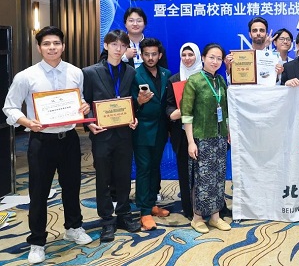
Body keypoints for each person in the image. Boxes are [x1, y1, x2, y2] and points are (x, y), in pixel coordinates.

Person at [2, 26, 92, 264]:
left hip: (69, 139)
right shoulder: (26, 76)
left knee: (72, 186)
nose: (52, 48)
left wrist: (84, 106)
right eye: (47, 44)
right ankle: (37, 241)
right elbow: (9, 107)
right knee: (39, 193)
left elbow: (80, 99)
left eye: (56, 43)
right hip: (41, 141)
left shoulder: (75, 72)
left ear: (63, 46)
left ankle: (73, 228)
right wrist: (26, 122)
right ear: (39, 47)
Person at [83, 29, 141, 242]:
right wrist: (89, 123)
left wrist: (134, 117)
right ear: (106, 45)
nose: (119, 49)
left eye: (123, 45)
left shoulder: (130, 72)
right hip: (102, 134)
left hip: (124, 133)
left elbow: (131, 101)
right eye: (114, 44)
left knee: (124, 175)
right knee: (103, 178)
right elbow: (84, 102)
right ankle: (106, 219)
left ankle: (124, 214)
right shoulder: (90, 72)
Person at [181, 43, 231, 233]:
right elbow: (187, 115)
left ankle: (215, 217)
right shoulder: (194, 81)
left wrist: (228, 131)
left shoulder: (220, 80)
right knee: (202, 180)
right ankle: (197, 218)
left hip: (219, 137)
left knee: (218, 178)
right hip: (201, 138)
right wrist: (190, 142)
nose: (215, 62)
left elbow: (225, 109)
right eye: (211, 57)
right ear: (203, 58)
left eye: (218, 58)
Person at [131, 38, 172, 231]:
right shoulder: (134, 74)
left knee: (155, 167)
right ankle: (144, 211)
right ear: (141, 55)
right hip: (142, 130)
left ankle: (152, 203)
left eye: (154, 54)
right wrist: (139, 102)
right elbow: (128, 104)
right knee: (144, 169)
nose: (150, 58)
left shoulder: (166, 73)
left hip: (161, 129)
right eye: (146, 54)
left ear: (159, 55)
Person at [165, 42, 202, 219]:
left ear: (198, 56)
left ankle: (209, 207)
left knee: (205, 172)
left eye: (191, 55)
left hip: (203, 132)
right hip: (181, 133)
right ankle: (189, 209)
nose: (187, 58)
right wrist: (176, 112)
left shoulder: (206, 77)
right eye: (184, 55)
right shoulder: (174, 79)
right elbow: (169, 106)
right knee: (185, 172)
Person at [99, 7, 168, 69]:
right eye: (131, 21)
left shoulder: (154, 45)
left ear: (144, 24)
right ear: (125, 24)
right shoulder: (114, 44)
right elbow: (102, 66)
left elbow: (163, 71)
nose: (135, 24)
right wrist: (124, 57)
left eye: (139, 21)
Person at [225, 16, 283, 82]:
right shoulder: (239, 57)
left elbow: (278, 84)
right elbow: (231, 84)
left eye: (262, 30)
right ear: (250, 34)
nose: (258, 33)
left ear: (266, 34)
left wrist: (277, 75)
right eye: (255, 30)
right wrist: (229, 69)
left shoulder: (275, 58)